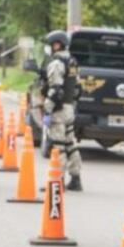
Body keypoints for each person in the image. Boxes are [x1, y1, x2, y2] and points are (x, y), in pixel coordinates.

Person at [42, 30, 83, 191]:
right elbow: (77, 89)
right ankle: (75, 178)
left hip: (58, 110)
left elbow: (56, 90)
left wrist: (47, 109)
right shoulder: (72, 62)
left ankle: (57, 180)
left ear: (57, 44)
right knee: (70, 144)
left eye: (51, 44)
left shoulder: (57, 63)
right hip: (69, 108)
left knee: (58, 145)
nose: (50, 48)